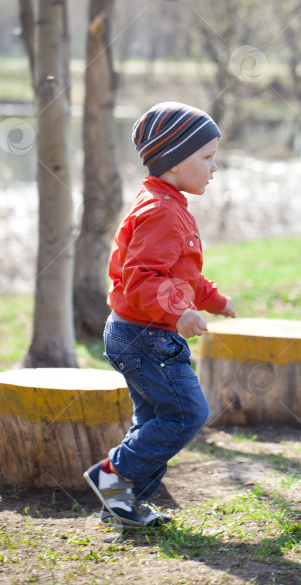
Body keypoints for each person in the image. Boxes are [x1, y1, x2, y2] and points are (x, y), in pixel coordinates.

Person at [84, 102, 236, 527]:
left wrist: (214, 300)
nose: (214, 167)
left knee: (154, 419)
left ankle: (122, 503)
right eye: (206, 157)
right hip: (145, 337)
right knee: (187, 415)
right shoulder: (162, 212)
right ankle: (111, 476)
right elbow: (142, 278)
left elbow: (181, 272)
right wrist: (181, 309)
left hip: (139, 333)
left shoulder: (167, 203)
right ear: (172, 164)